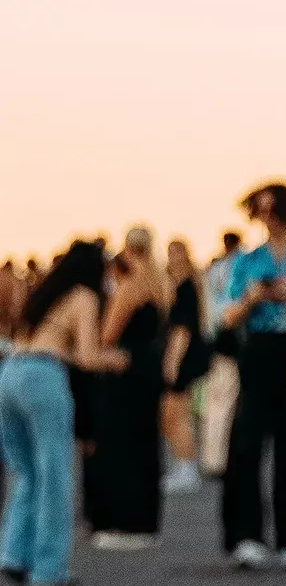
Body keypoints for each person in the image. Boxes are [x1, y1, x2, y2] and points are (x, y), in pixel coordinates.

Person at [1, 241, 125, 586]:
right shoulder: (84, 296)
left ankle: (13, 552)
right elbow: (87, 356)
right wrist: (116, 360)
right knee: (55, 473)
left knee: (26, 471)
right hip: (43, 377)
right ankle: (47, 568)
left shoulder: (45, 293)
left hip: (10, 373)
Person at [221, 185, 286, 570]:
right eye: (261, 211)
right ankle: (245, 534)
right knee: (246, 443)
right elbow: (225, 315)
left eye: (274, 211)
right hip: (257, 350)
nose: (268, 219)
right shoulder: (246, 263)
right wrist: (252, 298)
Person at [88, 227, 170, 549]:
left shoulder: (129, 287)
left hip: (125, 372)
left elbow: (107, 335)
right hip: (148, 372)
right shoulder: (161, 283)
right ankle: (145, 520)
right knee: (145, 442)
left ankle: (122, 521)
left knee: (119, 445)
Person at [161, 238, 210, 492]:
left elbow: (183, 330)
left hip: (183, 357)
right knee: (172, 415)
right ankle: (183, 465)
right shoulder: (178, 285)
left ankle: (187, 466)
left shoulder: (187, 288)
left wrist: (172, 362)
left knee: (176, 414)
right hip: (181, 355)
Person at [199, 229, 245, 479]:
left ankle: (213, 458)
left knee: (215, 404)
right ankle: (221, 459)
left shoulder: (214, 270)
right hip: (231, 342)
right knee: (225, 404)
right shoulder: (238, 267)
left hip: (218, 342)